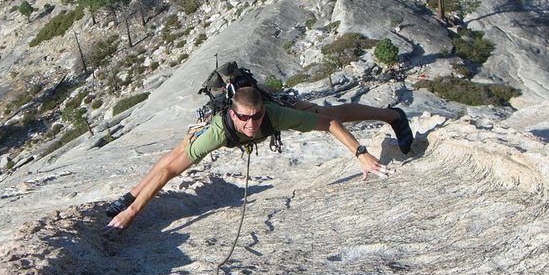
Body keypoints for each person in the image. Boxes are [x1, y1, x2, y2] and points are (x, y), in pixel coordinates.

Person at [103, 85, 414, 237]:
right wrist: (132, 211)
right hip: (214, 129)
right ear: (232, 114)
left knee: (328, 114)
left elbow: (329, 125)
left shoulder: (274, 114)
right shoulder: (218, 131)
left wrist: (359, 153)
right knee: (176, 154)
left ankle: (392, 115)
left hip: (280, 104)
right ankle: (130, 195)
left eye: (256, 117)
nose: (251, 124)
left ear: (263, 110)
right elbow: (171, 169)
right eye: (244, 118)